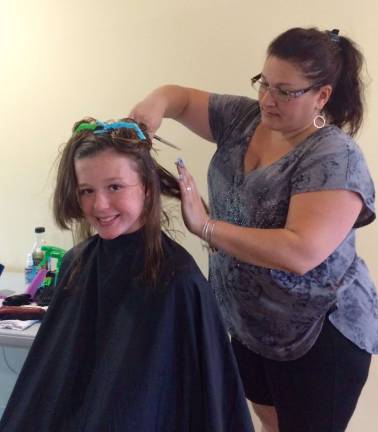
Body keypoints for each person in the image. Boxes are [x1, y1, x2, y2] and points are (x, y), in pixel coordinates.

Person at [129, 27, 378, 432]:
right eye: (264, 83)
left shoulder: (335, 157)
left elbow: (300, 251)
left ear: (322, 96)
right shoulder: (243, 118)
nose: (267, 99)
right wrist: (153, 105)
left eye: (285, 91)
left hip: (319, 335)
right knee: (270, 423)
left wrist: (207, 227)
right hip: (250, 326)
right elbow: (181, 97)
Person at [0, 119, 254, 432]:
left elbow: (202, 404)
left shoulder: (178, 280)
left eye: (115, 187)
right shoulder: (76, 264)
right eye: (86, 191)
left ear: (147, 187)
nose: (99, 205)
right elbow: (50, 386)